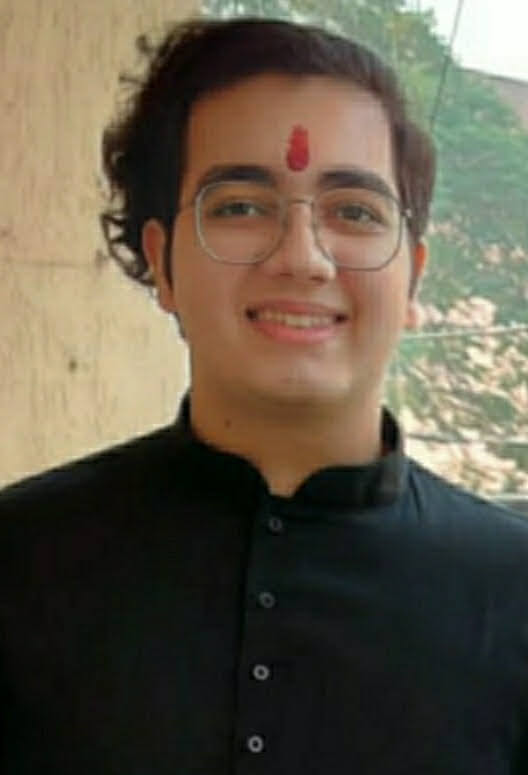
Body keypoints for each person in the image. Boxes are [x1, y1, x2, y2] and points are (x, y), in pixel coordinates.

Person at [1, 16, 527, 774]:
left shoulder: (513, 592)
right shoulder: (21, 563)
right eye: (241, 207)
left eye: (354, 212)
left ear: (413, 276)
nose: (302, 258)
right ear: (163, 264)